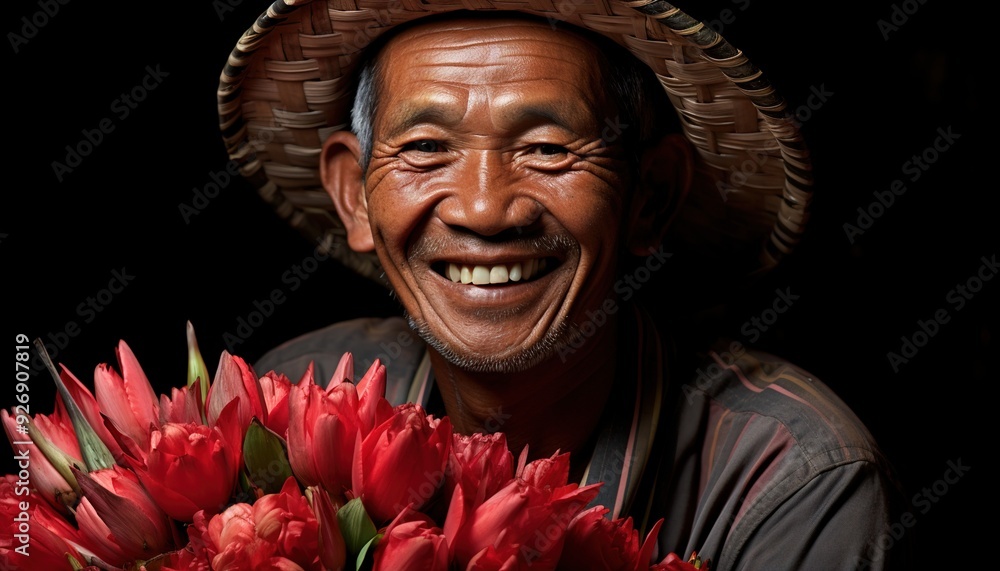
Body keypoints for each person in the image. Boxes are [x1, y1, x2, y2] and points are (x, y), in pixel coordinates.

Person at [218, 1, 908, 568]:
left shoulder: (795, 480)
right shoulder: (285, 412)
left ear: (651, 197)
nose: (485, 209)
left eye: (548, 148)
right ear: (355, 197)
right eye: (426, 148)